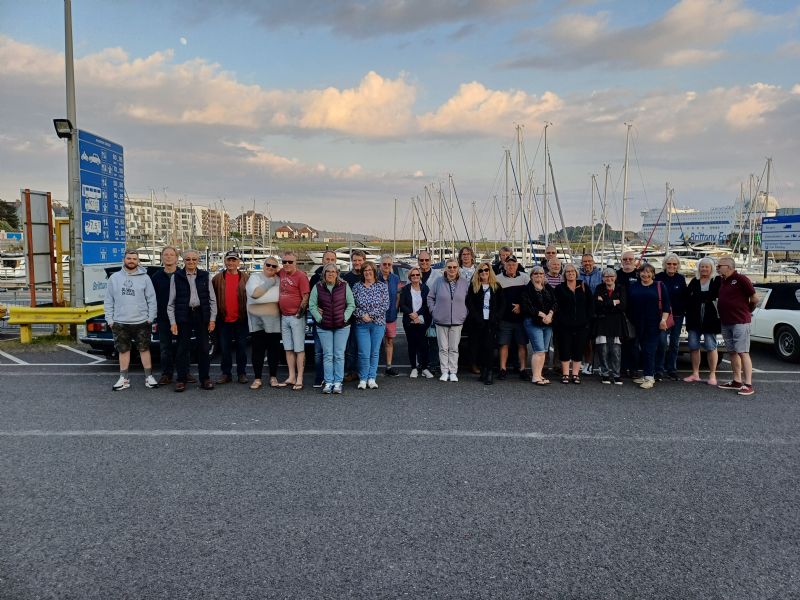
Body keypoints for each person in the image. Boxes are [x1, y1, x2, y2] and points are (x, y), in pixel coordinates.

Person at [104, 249, 158, 391]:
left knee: (144, 349)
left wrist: (150, 317)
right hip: (120, 321)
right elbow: (108, 300)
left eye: (134, 259)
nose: (131, 261)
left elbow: (152, 299)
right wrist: (110, 320)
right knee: (123, 350)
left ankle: (149, 377)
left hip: (141, 321)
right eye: (129, 258)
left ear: (138, 261)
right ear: (124, 259)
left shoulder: (145, 278)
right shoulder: (114, 278)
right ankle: (123, 379)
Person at [167, 249, 217, 391]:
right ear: (183, 261)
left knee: (204, 348)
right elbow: (171, 302)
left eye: (194, 259)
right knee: (182, 349)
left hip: (201, 314)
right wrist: (173, 322)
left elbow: (212, 300)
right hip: (184, 314)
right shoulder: (176, 277)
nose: (191, 262)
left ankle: (205, 379)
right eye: (188, 259)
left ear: (198, 261)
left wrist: (212, 319)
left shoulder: (205, 276)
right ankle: (181, 379)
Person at [150, 246, 194, 385]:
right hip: (163, 317)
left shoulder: (183, 275)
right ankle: (166, 374)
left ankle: (185, 372)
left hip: (182, 316)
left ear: (176, 258)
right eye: (166, 255)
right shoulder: (156, 277)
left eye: (171, 255)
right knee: (165, 347)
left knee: (184, 346)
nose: (168, 257)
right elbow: (152, 298)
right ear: (162, 257)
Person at [309, 263, 355, 394]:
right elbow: (312, 305)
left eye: (333, 271)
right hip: (324, 326)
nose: (330, 274)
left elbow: (351, 304)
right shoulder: (318, 287)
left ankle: (338, 382)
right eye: (328, 271)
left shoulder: (344, 286)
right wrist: (319, 318)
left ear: (337, 274)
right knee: (328, 355)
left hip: (342, 326)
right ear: (324, 274)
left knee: (339, 355)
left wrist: (345, 317)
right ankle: (328, 382)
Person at [716, 256, 758, 396]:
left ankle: (748, 384)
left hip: (740, 321)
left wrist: (747, 310)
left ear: (728, 267)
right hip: (726, 321)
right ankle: (736, 380)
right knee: (732, 352)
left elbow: (754, 298)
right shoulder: (723, 280)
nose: (717, 268)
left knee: (743, 352)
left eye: (719, 266)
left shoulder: (741, 279)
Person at [627, 263, 671, 389]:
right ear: (639, 273)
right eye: (643, 272)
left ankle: (649, 377)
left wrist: (663, 320)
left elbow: (666, 306)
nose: (645, 274)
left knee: (649, 350)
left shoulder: (659, 286)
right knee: (642, 348)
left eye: (648, 272)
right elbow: (629, 305)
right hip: (638, 323)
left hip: (654, 323)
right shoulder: (634, 286)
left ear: (653, 274)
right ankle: (646, 374)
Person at [427, 258, 469, 381]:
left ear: (458, 268)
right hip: (441, 320)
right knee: (443, 348)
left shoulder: (464, 283)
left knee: (454, 348)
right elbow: (430, 297)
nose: (452, 269)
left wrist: (464, 313)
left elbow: (468, 300)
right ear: (446, 268)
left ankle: (453, 372)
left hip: (457, 320)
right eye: (449, 267)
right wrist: (433, 311)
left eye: (454, 267)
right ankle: (444, 371)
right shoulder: (438, 282)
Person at [212, 250, 250, 384]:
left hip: (241, 319)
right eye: (229, 260)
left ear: (238, 262)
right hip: (223, 319)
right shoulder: (217, 278)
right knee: (225, 349)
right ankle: (226, 373)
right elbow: (212, 298)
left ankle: (241, 373)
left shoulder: (246, 278)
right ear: (225, 261)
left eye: (234, 260)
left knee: (241, 348)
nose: (231, 263)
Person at [246, 256, 283, 390]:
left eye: (274, 266)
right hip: (256, 321)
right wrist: (270, 283)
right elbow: (254, 295)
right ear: (264, 265)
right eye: (268, 265)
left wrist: (262, 294)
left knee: (274, 351)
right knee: (258, 351)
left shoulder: (279, 280)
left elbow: (279, 297)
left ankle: (273, 377)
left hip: (274, 321)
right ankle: (257, 378)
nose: (270, 268)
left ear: (277, 268)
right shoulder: (254, 277)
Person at [683, 257, 721, 386]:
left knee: (711, 345)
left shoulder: (717, 280)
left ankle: (712, 374)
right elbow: (688, 296)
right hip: (694, 317)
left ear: (711, 268)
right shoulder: (695, 280)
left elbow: (717, 296)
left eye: (706, 266)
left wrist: (702, 298)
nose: (704, 269)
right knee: (693, 346)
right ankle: (695, 373)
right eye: (702, 266)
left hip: (710, 318)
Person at [553, 263, 594, 384]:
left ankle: (575, 374)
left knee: (578, 349)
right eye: (568, 272)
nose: (570, 273)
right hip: (564, 326)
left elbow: (590, 305)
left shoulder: (583, 286)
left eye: (572, 271)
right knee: (564, 349)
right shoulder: (559, 288)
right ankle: (565, 374)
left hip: (581, 325)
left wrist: (587, 320)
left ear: (576, 273)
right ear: (564, 274)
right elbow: (555, 305)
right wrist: (560, 320)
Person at [352, 261, 390, 389]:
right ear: (362, 273)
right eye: (365, 270)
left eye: (370, 270)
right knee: (363, 353)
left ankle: (372, 378)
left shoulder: (382, 286)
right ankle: (363, 379)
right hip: (361, 324)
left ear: (374, 271)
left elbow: (385, 305)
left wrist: (371, 315)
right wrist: (362, 315)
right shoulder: (357, 287)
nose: (367, 272)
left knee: (374, 352)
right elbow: (352, 305)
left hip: (378, 324)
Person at [466, 261, 504, 385]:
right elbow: (469, 303)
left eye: (486, 270)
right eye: (481, 270)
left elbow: (502, 304)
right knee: (478, 347)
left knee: (489, 348)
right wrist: (477, 317)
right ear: (478, 272)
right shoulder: (474, 286)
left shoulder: (496, 286)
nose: (484, 272)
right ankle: (483, 370)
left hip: (491, 322)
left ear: (490, 271)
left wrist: (496, 317)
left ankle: (489, 372)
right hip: (477, 322)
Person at [278, 250, 310, 390]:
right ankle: (291, 376)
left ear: (295, 263)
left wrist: (299, 313)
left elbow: (306, 296)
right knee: (288, 348)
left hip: (296, 317)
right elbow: (270, 270)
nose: (287, 264)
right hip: (284, 316)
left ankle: (300, 378)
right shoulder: (281, 273)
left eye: (290, 262)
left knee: (299, 349)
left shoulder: (301, 276)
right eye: (284, 261)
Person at [521, 266, 556, 385]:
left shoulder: (548, 287)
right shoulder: (527, 289)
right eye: (536, 274)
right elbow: (526, 306)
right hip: (533, 322)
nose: (539, 275)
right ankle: (535, 376)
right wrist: (541, 315)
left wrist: (550, 314)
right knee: (539, 350)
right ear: (531, 276)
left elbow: (555, 302)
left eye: (541, 273)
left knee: (544, 351)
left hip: (548, 322)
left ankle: (539, 374)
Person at [654, 253, 687, 381]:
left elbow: (684, 296)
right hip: (663, 315)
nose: (671, 266)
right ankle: (659, 369)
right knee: (662, 342)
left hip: (678, 315)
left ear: (678, 265)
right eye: (669, 264)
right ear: (664, 265)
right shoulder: (658, 278)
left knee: (674, 343)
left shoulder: (681, 278)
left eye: (674, 264)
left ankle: (671, 369)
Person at [495, 256, 529, 380]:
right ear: (504, 266)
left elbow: (530, 296)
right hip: (505, 319)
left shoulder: (525, 277)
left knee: (522, 344)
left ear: (517, 265)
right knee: (503, 344)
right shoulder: (498, 279)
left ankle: (523, 369)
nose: (511, 267)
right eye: (508, 264)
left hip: (521, 319)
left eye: (513, 264)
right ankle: (502, 369)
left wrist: (521, 306)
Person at [309, 250, 339, 387]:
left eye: (332, 259)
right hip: (320, 320)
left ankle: (335, 377)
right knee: (319, 351)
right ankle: (320, 377)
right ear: (322, 261)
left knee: (336, 352)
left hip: (336, 321)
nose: (330, 261)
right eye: (327, 259)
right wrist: (316, 310)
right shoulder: (315, 278)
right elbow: (311, 299)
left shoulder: (340, 279)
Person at [593, 268, 627, 385]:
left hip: (616, 323)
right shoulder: (599, 288)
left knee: (616, 351)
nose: (609, 278)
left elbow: (623, 306)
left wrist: (605, 303)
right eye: (606, 276)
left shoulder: (621, 288)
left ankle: (617, 375)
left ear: (615, 277)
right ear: (603, 278)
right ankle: (605, 374)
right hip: (602, 323)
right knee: (603, 350)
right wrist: (613, 302)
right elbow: (597, 306)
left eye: (611, 276)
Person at [399, 266, 434, 379]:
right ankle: (414, 368)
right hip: (409, 321)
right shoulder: (405, 289)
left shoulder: (425, 288)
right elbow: (402, 304)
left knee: (424, 345)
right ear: (410, 277)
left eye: (417, 275)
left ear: (420, 276)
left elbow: (426, 304)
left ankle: (424, 368)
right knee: (412, 345)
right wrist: (412, 314)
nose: (415, 276)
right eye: (413, 275)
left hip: (422, 320)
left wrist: (417, 314)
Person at [342, 249, 367, 382]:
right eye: (355, 260)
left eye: (359, 260)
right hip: (350, 317)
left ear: (364, 261)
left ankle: (363, 371)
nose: (357, 263)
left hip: (366, 317)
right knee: (350, 346)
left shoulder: (368, 275)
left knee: (363, 346)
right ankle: (351, 371)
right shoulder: (346, 278)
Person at [617, 250, 641, 378]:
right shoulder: (616, 275)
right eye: (625, 259)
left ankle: (634, 369)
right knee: (621, 344)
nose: (627, 261)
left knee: (634, 344)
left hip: (635, 314)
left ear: (634, 261)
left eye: (630, 259)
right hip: (619, 314)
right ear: (621, 261)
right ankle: (622, 368)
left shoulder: (639, 275)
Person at [578, 253, 603, 375]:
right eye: (585, 261)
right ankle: (587, 363)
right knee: (586, 340)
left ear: (593, 262)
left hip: (599, 311)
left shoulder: (600, 275)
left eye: (589, 261)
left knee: (600, 340)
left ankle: (601, 365)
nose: (587, 263)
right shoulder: (577, 275)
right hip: (583, 312)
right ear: (581, 263)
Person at [377, 254, 401, 377]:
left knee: (389, 341)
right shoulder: (375, 277)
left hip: (391, 315)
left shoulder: (395, 278)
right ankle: (373, 367)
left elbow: (397, 296)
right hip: (377, 316)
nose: (386, 266)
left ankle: (389, 366)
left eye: (389, 264)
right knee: (375, 342)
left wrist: (395, 309)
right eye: (384, 264)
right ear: (380, 265)